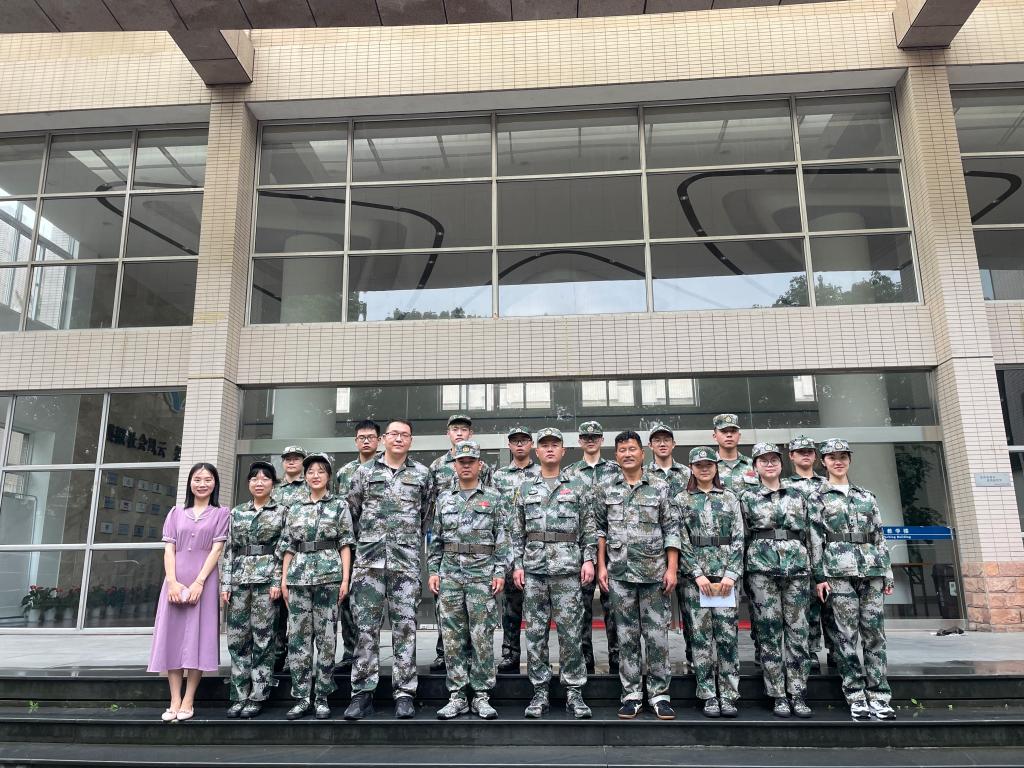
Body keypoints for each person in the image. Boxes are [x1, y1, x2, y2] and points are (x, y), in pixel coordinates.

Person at [344, 419, 433, 721]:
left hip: (405, 565)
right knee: (365, 629)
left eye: (404, 435)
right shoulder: (364, 472)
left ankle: (405, 693)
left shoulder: (422, 475)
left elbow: (426, 518)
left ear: (411, 440)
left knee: (405, 629)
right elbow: (352, 515)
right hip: (368, 565)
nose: (398, 439)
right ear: (383, 439)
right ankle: (362, 693)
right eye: (393, 434)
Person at [511, 427, 597, 720]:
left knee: (571, 634)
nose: (549, 449)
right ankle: (540, 692)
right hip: (535, 571)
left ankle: (574, 692)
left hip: (567, 571)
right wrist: (518, 565)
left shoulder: (578, 486)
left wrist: (588, 560)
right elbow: (516, 532)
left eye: (554, 445)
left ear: (563, 451)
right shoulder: (525, 489)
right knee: (535, 635)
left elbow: (589, 528)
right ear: (537, 452)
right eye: (544, 445)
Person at [809, 438, 896, 722]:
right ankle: (856, 695)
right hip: (838, 572)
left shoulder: (866, 496)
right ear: (823, 461)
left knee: (875, 634)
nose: (838, 461)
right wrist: (819, 576)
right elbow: (815, 540)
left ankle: (879, 695)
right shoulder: (817, 498)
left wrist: (887, 571)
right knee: (845, 636)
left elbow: (879, 535)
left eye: (843, 457)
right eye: (832, 457)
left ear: (849, 460)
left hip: (871, 570)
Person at [595, 430, 679, 720]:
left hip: (655, 575)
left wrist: (672, 568)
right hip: (619, 575)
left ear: (643, 453)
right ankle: (631, 694)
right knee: (626, 637)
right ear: (616, 455)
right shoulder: (606, 488)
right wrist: (601, 566)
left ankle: (659, 695)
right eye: (622, 450)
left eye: (632, 449)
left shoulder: (660, 487)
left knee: (657, 637)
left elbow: (672, 529)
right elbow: (600, 530)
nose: (627, 454)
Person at [428, 440, 509, 720]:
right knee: (452, 638)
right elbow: (435, 539)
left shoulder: (494, 498)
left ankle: (482, 695)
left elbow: (503, 538)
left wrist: (499, 571)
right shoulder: (444, 499)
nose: (465, 466)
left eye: (470, 462)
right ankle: (458, 695)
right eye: (461, 462)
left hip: (481, 576)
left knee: (481, 636)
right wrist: (434, 570)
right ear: (454, 466)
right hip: (450, 575)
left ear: (479, 465)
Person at [148, 462, 230, 722]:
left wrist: (199, 582)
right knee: (172, 636)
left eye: (207, 479)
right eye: (197, 479)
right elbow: (169, 549)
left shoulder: (221, 513)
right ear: (190, 483)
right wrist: (172, 582)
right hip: (175, 579)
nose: (202, 484)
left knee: (199, 637)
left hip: (203, 581)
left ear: (215, 483)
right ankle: (174, 699)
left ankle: (188, 699)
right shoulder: (175, 513)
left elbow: (217, 550)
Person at [740, 443, 814, 719]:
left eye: (774, 460)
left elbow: (811, 534)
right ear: (755, 466)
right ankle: (778, 694)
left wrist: (816, 571)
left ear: (782, 464)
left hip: (797, 568)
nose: (769, 464)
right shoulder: (747, 497)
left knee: (798, 631)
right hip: (761, 569)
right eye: (763, 461)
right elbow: (741, 536)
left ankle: (798, 691)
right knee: (768, 632)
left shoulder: (798, 495)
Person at [278, 452, 354, 721]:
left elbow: (345, 543)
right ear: (305, 476)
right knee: (298, 640)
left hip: (329, 577)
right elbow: (287, 546)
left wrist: (345, 579)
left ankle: (322, 696)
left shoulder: (339, 505)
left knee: (326, 639)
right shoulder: (295, 507)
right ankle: (301, 697)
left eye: (321, 471)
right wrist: (284, 579)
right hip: (298, 578)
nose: (315, 475)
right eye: (310, 471)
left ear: (329, 476)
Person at [675, 447, 743, 719]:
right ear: (691, 468)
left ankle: (728, 694)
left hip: (725, 577)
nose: (704, 469)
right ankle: (708, 694)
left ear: (716, 467)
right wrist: (696, 573)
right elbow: (681, 539)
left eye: (709, 464)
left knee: (727, 636)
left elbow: (739, 537)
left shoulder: (730, 497)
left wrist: (731, 574)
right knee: (701, 637)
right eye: (699, 465)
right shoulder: (682, 499)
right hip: (697, 580)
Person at [427, 414, 494, 671]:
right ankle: (444, 654)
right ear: (448, 434)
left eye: (463, 429)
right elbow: (432, 507)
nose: (459, 433)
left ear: (470, 434)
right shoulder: (437, 466)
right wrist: (434, 565)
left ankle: (478, 674)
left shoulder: (483, 467)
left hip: (478, 559)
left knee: (479, 622)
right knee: (448, 614)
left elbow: (489, 505)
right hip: (450, 553)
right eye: (454, 429)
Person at [220, 461, 285, 719]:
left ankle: (258, 695)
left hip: (266, 583)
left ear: (272, 483)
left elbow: (283, 550)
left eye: (265, 478)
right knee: (237, 640)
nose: (259, 482)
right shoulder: (237, 512)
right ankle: (239, 695)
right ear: (248, 483)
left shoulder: (282, 511)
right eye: (254, 478)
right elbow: (229, 550)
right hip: (239, 582)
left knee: (263, 640)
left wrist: (277, 581)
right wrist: (225, 583)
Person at [565, 420, 620, 674]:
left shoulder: (616, 470)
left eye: (595, 437)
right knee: (581, 605)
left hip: (614, 545)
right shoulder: (570, 473)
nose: (590, 440)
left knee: (614, 605)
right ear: (579, 441)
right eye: (586, 437)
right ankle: (585, 659)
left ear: (601, 440)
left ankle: (616, 657)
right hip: (581, 547)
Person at [334, 420, 381, 672]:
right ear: (355, 441)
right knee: (348, 601)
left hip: (377, 546)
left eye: (371, 437)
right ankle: (350, 652)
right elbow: (338, 510)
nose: (366, 441)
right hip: (350, 547)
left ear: (379, 440)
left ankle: (370, 655)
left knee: (374, 603)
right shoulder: (344, 472)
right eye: (361, 437)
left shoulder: (385, 467)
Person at [493, 425, 540, 674]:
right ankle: (510, 654)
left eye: (524, 440)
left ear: (531, 444)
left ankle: (537, 656)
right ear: (509, 445)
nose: (520, 444)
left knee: (537, 609)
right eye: (515, 441)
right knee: (510, 609)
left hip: (535, 549)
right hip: (508, 549)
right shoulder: (499, 476)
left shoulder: (541, 472)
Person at [646, 422, 693, 666]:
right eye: (657, 440)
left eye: (666, 439)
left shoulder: (688, 474)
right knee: (656, 613)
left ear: (674, 444)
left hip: (687, 549)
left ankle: (693, 659)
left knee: (691, 609)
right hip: (653, 551)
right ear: (650, 445)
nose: (662, 444)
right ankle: (658, 662)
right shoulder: (644, 474)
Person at [784, 435, 832, 672]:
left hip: (831, 552)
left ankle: (837, 650)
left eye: (809, 451)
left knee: (832, 605)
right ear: (791, 456)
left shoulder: (828, 484)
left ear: (815, 456)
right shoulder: (785, 485)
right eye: (800, 451)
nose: (805, 455)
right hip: (799, 552)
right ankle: (810, 649)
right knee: (807, 604)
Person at [271, 445, 308, 672]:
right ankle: (277, 655)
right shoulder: (274, 489)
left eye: (296, 458)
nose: (292, 462)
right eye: (288, 459)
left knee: (298, 609)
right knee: (276, 609)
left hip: (302, 555)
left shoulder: (310, 486)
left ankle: (296, 658)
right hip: (275, 555)